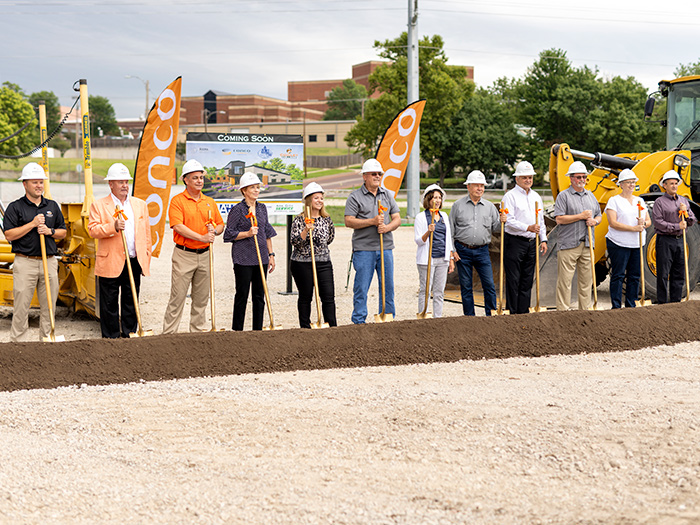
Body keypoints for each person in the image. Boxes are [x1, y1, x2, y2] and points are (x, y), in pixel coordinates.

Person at [3, 162, 67, 342]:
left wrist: (50, 231)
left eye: (41, 182)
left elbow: (63, 232)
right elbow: (9, 234)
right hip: (25, 262)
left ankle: (47, 339)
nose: (39, 186)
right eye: (35, 182)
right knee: (22, 305)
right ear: (25, 184)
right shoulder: (15, 208)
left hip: (49, 261)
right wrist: (32, 224)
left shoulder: (53, 206)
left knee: (49, 305)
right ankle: (19, 343)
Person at [88, 163, 152, 338]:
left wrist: (146, 255)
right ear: (111, 184)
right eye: (120, 182)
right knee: (109, 302)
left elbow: (146, 233)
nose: (125, 185)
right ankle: (110, 337)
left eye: (126, 181)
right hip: (110, 260)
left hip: (133, 259)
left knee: (131, 299)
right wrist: (113, 226)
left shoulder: (140, 205)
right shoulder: (99, 205)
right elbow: (93, 230)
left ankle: (129, 333)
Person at [162, 159, 224, 334]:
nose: (199, 181)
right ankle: (168, 335)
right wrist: (202, 237)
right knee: (177, 297)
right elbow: (178, 226)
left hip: (205, 255)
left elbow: (220, 224)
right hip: (184, 254)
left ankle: (196, 335)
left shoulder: (209, 201)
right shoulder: (177, 201)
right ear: (186, 180)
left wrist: (216, 230)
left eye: (201, 177)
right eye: (195, 178)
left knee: (201, 298)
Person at [344, 158, 401, 324]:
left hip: (386, 248)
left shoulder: (387, 195)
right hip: (363, 249)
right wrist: (372, 221)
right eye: (373, 174)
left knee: (388, 287)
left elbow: (397, 218)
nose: (377, 176)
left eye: (379, 174)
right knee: (361, 287)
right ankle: (359, 320)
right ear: (365, 176)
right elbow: (349, 221)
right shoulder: (355, 197)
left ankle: (387, 317)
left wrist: (387, 227)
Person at [223, 172, 277, 330]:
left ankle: (257, 330)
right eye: (252, 187)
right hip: (243, 258)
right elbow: (228, 234)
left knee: (259, 295)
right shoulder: (237, 210)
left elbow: (267, 232)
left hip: (261, 257)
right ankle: (237, 330)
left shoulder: (262, 208)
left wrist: (271, 254)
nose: (256, 190)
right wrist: (247, 233)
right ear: (244, 190)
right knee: (242, 294)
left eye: (258, 187)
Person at [448, 172, 502, 316]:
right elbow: (450, 230)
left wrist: (503, 221)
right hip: (462, 250)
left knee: (489, 284)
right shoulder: (457, 206)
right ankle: (469, 318)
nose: (480, 188)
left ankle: (491, 314)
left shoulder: (490, 207)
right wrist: (453, 251)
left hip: (482, 251)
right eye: (477, 185)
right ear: (468, 186)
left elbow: (496, 229)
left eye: (482, 186)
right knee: (466, 286)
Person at [552, 161, 602, 311]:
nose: (582, 180)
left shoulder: (591, 196)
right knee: (565, 281)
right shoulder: (564, 196)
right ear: (571, 178)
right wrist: (580, 216)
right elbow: (559, 219)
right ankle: (563, 311)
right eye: (578, 177)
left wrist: (594, 221)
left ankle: (584, 311)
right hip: (568, 244)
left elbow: (599, 215)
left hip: (587, 244)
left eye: (584, 177)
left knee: (587, 281)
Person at [501, 161, 547, 314]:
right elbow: (509, 220)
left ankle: (523, 312)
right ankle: (513, 312)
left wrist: (543, 239)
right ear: (517, 179)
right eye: (524, 177)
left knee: (527, 279)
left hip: (531, 242)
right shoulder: (510, 196)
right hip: (514, 241)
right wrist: (527, 227)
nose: (528, 180)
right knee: (514, 279)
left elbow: (540, 220)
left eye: (530, 177)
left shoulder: (536, 196)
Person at [290, 182, 337, 328]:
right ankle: (305, 327)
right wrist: (305, 230)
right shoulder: (299, 220)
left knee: (328, 296)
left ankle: (332, 326)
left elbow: (330, 238)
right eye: (316, 198)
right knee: (305, 296)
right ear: (309, 200)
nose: (319, 201)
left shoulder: (326, 219)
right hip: (302, 263)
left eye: (321, 198)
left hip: (323, 262)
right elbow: (295, 242)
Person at [604, 169, 651, 308]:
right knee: (618, 275)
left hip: (637, 243)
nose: (631, 184)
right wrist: (633, 229)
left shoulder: (640, 201)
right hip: (619, 243)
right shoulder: (614, 201)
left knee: (634, 275)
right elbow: (613, 223)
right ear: (621, 184)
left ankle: (631, 305)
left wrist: (643, 224)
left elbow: (648, 221)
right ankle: (616, 306)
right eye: (628, 182)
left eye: (633, 182)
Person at [652, 169, 696, 303]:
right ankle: (662, 304)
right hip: (665, 240)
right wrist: (678, 226)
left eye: (676, 183)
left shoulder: (683, 201)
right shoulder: (659, 202)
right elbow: (658, 223)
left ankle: (675, 304)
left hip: (680, 241)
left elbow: (692, 220)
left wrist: (686, 212)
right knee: (663, 274)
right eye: (671, 183)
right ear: (664, 185)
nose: (674, 186)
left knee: (679, 273)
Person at [414, 184, 454, 317]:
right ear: (428, 200)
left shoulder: (444, 216)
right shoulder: (421, 217)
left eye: (439, 198)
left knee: (439, 291)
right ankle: (423, 313)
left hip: (442, 259)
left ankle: (438, 317)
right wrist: (428, 232)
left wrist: (451, 258)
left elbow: (448, 238)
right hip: (427, 259)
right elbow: (419, 241)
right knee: (425, 290)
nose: (437, 200)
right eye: (434, 198)